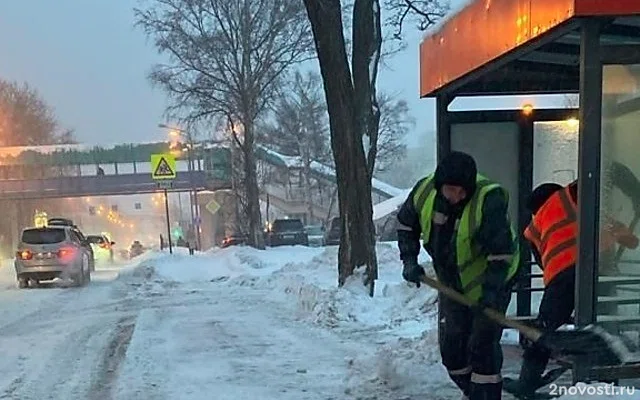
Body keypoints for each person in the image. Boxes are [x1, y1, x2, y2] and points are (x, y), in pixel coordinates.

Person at [505, 163, 640, 399]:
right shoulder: (570, 196)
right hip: (600, 272)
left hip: (561, 276)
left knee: (542, 330)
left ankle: (527, 382)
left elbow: (543, 262)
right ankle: (607, 380)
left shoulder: (534, 228)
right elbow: (610, 170)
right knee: (605, 329)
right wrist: (636, 194)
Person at [396, 151, 521, 400]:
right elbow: (405, 225)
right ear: (440, 185)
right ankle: (473, 392)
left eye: (463, 191)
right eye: (452, 190)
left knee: (481, 346)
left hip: (493, 279)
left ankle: (486, 394)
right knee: (452, 350)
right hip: (452, 285)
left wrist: (490, 295)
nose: (457, 196)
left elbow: (500, 254)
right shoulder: (424, 193)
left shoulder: (489, 200)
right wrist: (409, 260)